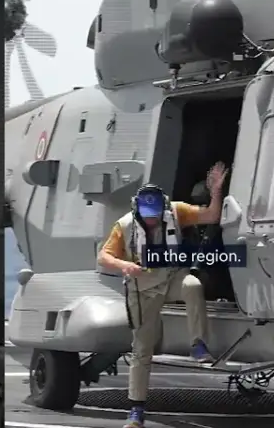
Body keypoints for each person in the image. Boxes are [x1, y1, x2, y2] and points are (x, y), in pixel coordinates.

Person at [97, 162, 229, 428]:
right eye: (146, 215)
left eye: (155, 214)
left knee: (192, 285)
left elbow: (212, 216)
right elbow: (104, 256)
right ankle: (136, 410)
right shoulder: (124, 226)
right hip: (142, 289)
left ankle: (198, 345)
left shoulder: (177, 212)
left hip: (170, 279)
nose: (151, 219)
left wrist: (216, 191)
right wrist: (124, 265)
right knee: (142, 350)